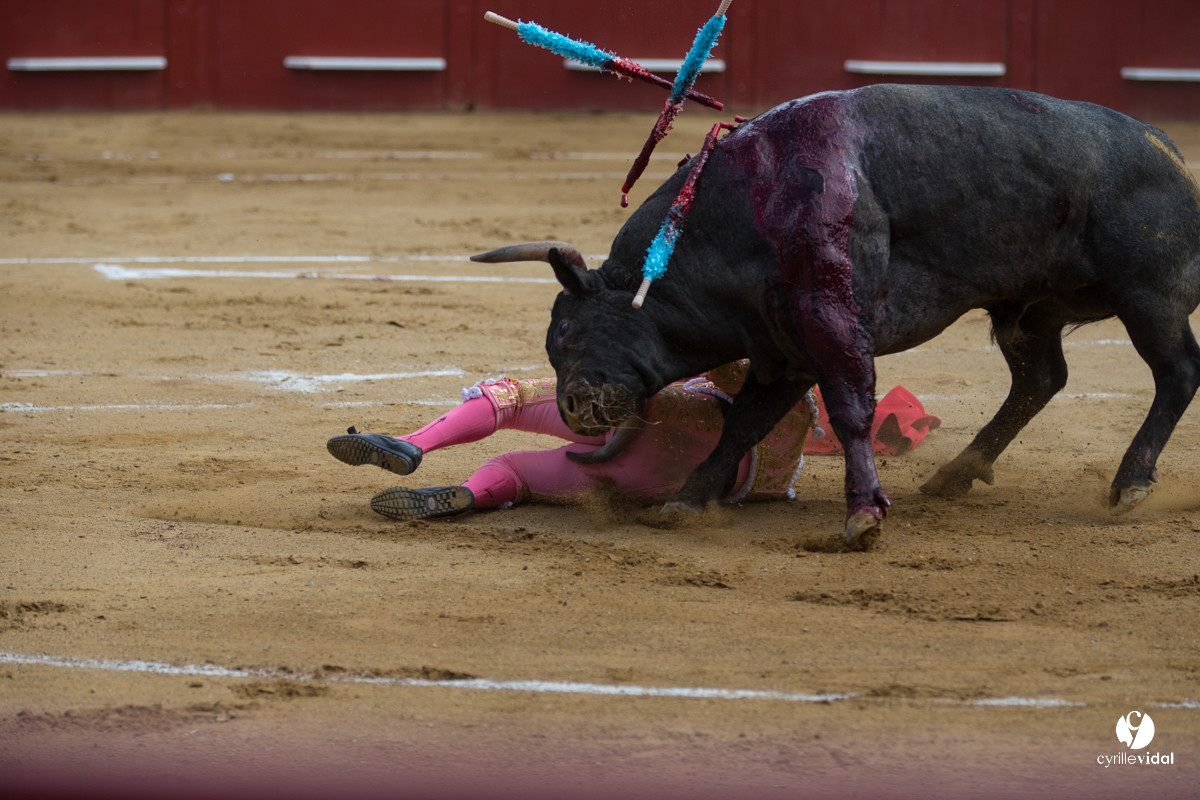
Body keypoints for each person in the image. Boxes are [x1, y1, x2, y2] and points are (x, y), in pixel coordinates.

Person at [327, 361, 941, 522]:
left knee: (512, 400)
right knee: (517, 469)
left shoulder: (766, 365)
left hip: (663, 417)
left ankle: (415, 445)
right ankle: (467, 494)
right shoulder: (795, 446)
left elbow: (714, 368)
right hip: (704, 485)